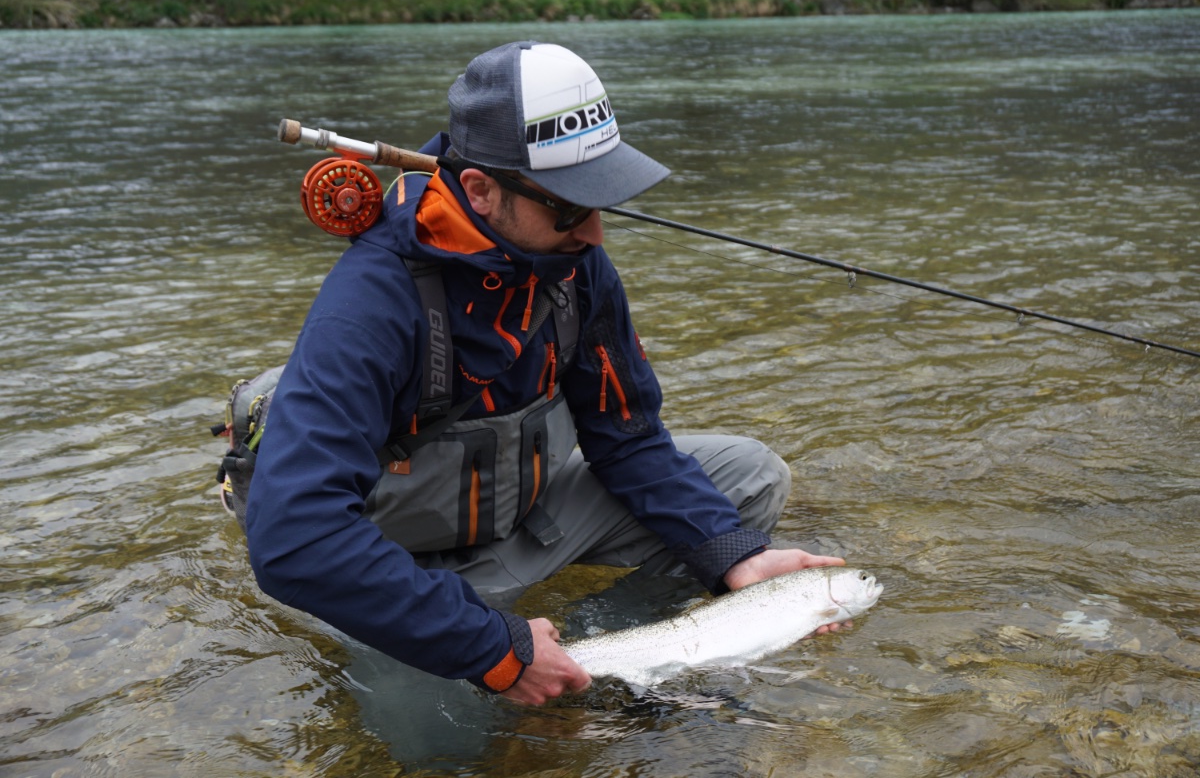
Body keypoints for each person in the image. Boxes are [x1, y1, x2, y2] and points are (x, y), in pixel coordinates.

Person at [245, 41, 846, 706]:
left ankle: (600, 663)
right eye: (570, 207)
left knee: (749, 479)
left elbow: (629, 439)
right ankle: (507, 652)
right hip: (403, 566)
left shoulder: (574, 264)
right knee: (442, 743)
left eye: (601, 199)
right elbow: (294, 539)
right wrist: (489, 648)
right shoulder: (369, 305)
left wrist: (734, 554)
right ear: (480, 190)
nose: (595, 234)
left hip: (524, 524)